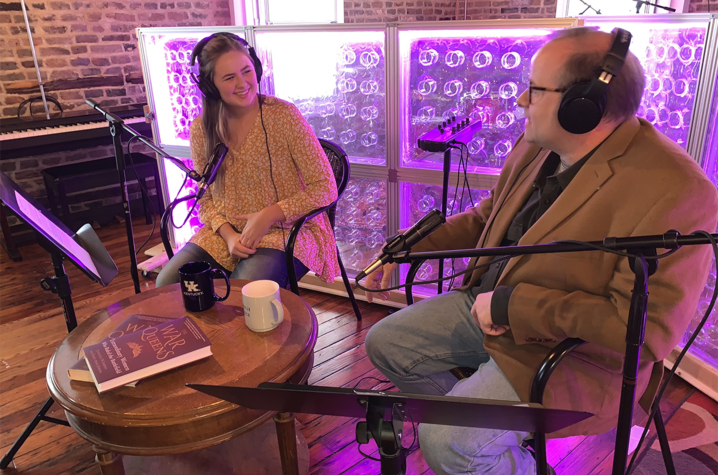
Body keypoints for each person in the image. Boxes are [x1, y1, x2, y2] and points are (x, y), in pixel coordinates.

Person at [363, 27, 718, 475]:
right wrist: (400, 251)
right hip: (488, 310)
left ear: (583, 105)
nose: (520, 102)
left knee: (449, 442)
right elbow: (486, 219)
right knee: (386, 343)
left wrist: (514, 305)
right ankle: (499, 442)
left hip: (572, 352)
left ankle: (487, 448)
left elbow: (646, 332)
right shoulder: (536, 145)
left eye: (534, 89)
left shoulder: (677, 190)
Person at [156, 32, 340, 289]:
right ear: (210, 86)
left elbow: (325, 187)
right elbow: (205, 199)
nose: (243, 83)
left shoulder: (284, 116)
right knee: (168, 285)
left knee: (245, 289)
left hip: (286, 232)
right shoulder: (202, 129)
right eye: (229, 77)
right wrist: (228, 235)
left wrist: (268, 216)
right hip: (225, 234)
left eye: (246, 71)